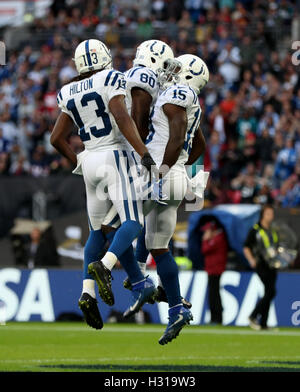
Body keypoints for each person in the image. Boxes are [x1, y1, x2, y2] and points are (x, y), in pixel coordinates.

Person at [50, 39, 158, 329]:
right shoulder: (111, 77)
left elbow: (55, 138)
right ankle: (106, 265)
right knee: (133, 222)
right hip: (114, 155)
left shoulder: (68, 89)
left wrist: (76, 162)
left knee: (96, 232)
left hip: (89, 160)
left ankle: (87, 292)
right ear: (103, 57)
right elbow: (122, 116)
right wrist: (143, 153)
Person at [142, 54, 209, 344]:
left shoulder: (181, 93)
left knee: (121, 221)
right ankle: (176, 306)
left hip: (164, 173)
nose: (172, 72)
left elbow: (178, 139)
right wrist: (180, 167)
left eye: (178, 68)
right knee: (159, 246)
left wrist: (164, 172)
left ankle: (141, 283)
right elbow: (200, 145)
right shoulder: (190, 99)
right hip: (177, 176)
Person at [243, 204, 278, 330]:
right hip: (261, 264)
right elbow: (246, 246)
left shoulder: (272, 230)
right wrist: (251, 260)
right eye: (268, 213)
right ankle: (253, 315)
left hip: (273, 265)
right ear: (263, 215)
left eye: (272, 214)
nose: (270, 216)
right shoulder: (256, 229)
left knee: (269, 292)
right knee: (271, 291)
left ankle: (263, 323)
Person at [201, 220, 227, 325]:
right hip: (212, 269)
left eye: (206, 231)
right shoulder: (218, 238)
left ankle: (216, 319)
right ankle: (215, 318)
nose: (205, 234)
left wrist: (205, 240)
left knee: (214, 294)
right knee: (214, 293)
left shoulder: (217, 239)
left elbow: (205, 250)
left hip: (215, 270)